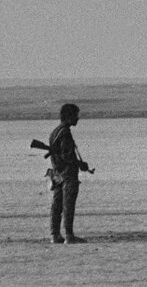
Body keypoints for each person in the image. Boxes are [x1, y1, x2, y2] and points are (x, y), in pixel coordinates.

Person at [47, 103, 87, 244]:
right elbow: (68, 156)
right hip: (67, 175)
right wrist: (80, 164)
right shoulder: (64, 132)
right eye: (75, 115)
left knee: (56, 205)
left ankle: (54, 235)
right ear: (69, 116)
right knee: (68, 205)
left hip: (57, 174)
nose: (78, 118)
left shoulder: (55, 132)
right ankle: (69, 236)